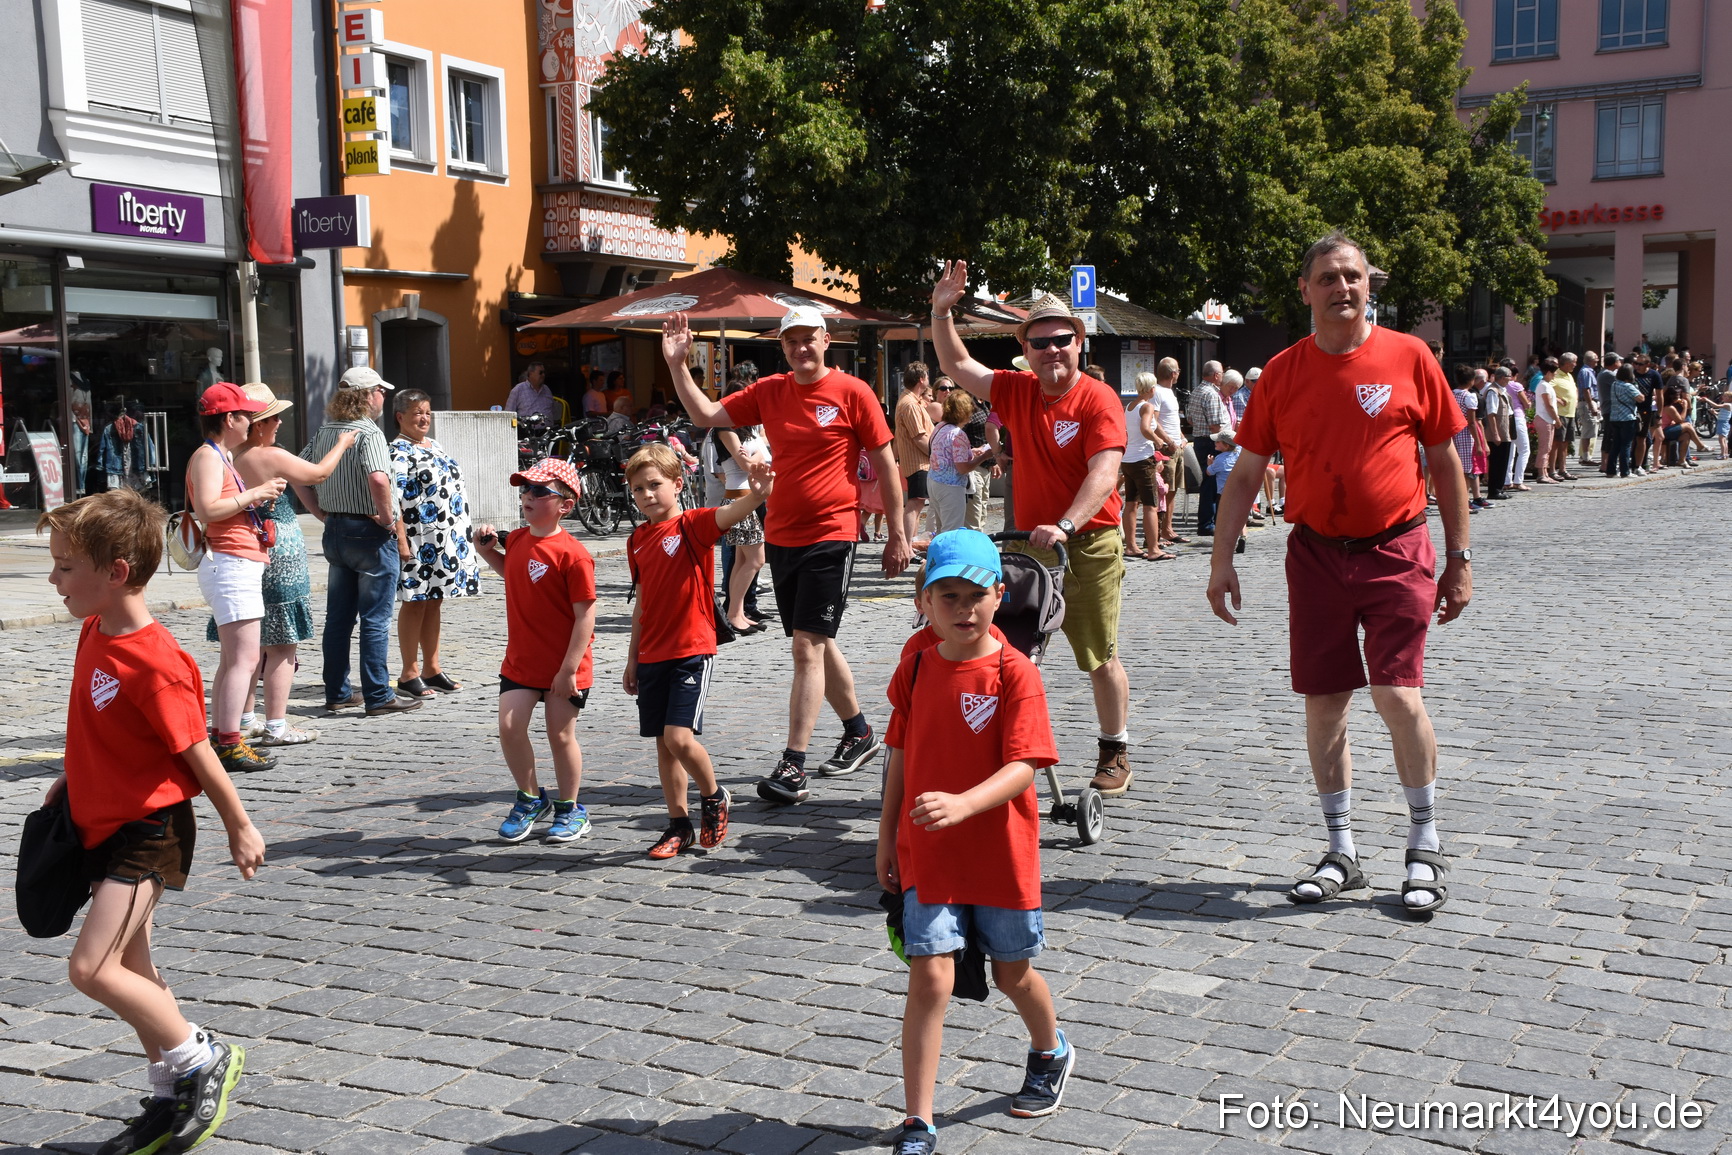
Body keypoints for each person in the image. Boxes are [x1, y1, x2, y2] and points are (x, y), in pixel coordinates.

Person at [1207, 230, 1470, 917]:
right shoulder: (1283, 372)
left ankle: (1424, 840)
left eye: (1353, 276)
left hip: (1397, 548)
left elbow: (1445, 464)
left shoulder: (1410, 356)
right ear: (1306, 290)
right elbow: (1244, 476)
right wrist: (1220, 560)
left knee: (1396, 692)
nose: (1343, 288)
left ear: (1367, 285)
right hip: (1316, 554)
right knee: (1325, 701)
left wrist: (1460, 557)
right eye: (1328, 277)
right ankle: (1342, 849)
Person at [37, 488, 265, 1155]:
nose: (52, 579)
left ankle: (201, 1059)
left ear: (113, 573)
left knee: (90, 966)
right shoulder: (93, 628)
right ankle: (168, 1094)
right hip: (100, 823)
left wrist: (239, 824)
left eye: (63, 566)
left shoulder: (158, 661)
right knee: (133, 967)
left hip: (149, 831)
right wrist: (74, 774)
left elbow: (197, 749)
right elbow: (99, 725)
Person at [663, 306, 910, 805]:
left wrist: (897, 533)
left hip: (832, 533)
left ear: (826, 340)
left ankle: (793, 765)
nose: (801, 349)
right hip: (781, 535)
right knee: (813, 639)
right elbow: (705, 417)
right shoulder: (770, 391)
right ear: (783, 347)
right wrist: (677, 364)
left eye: (808, 339)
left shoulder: (853, 392)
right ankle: (859, 731)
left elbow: (887, 464)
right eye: (791, 341)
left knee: (806, 647)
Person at [875, 530, 1069, 1155]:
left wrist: (963, 803)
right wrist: (886, 835)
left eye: (975, 595)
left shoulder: (1014, 673)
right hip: (927, 851)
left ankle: (1050, 1048)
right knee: (930, 976)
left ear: (999, 596)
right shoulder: (915, 665)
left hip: (1000, 853)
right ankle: (918, 1119)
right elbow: (899, 757)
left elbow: (1024, 766)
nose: (963, 608)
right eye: (947, 595)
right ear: (923, 601)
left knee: (1013, 973)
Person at [931, 266, 1134, 797]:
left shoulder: (1098, 399)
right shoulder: (1015, 391)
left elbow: (1104, 472)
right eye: (1040, 342)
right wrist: (941, 312)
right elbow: (956, 363)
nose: (1052, 350)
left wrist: (1067, 523)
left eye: (1061, 339)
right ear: (1027, 348)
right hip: (1024, 545)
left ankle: (1115, 748)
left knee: (1098, 654)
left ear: (1078, 340)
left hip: (1087, 543)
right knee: (1012, 651)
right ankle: (1004, 751)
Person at [622, 444, 772, 858]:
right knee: (663, 744)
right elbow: (642, 603)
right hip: (651, 654)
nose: (647, 494)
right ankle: (678, 825)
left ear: (677, 483)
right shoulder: (637, 539)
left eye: (655, 485)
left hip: (691, 649)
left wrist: (757, 495)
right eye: (638, 489)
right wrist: (632, 658)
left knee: (678, 737)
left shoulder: (692, 526)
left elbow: (728, 514)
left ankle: (714, 795)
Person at [205, 383, 356, 748]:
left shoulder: (229, 455)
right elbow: (319, 474)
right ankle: (276, 724)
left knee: (245, 648)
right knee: (284, 643)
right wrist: (343, 443)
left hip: (248, 551)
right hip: (278, 548)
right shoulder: (266, 454)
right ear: (258, 424)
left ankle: (242, 719)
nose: (279, 425)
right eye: (274, 418)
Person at [474, 459, 597, 844]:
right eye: (525, 489)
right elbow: (516, 573)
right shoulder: (520, 541)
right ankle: (530, 798)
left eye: (541, 491)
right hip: (522, 661)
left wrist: (568, 670)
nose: (528, 495)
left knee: (560, 737)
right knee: (510, 728)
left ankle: (571, 808)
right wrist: (487, 553)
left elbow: (585, 618)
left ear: (565, 504)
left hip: (565, 666)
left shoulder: (573, 554)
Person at [295, 367, 421, 717]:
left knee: (338, 619)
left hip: (335, 529)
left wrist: (321, 513)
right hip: (368, 532)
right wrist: (386, 518)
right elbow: (379, 479)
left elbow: (298, 475)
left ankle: (336, 692)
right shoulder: (368, 432)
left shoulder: (325, 430)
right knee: (375, 619)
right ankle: (378, 695)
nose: (383, 396)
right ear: (368, 395)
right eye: (380, 390)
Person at [186, 382, 285, 773]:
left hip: (234, 562)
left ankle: (223, 735)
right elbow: (208, 508)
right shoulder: (209, 457)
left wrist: (253, 499)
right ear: (230, 419)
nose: (252, 423)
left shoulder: (219, 455)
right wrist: (254, 493)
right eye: (247, 416)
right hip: (230, 563)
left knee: (234, 659)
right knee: (244, 659)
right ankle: (229, 743)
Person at [391, 389, 482, 699]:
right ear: (400, 417)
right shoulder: (398, 451)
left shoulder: (435, 445)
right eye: (417, 412)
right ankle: (409, 673)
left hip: (446, 539)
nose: (424, 418)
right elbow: (394, 502)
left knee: (435, 600)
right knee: (415, 601)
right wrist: (402, 541)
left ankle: (432, 668)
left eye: (427, 412)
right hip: (419, 540)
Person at [715, 370, 769, 631]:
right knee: (756, 559)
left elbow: (762, 459)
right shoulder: (725, 427)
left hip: (750, 499)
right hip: (739, 501)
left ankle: (735, 613)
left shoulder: (747, 428)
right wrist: (759, 461)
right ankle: (734, 613)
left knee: (741, 560)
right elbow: (747, 464)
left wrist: (758, 461)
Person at [1121, 372, 1178, 560]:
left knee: (1131, 503)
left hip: (1128, 458)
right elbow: (1146, 428)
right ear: (1151, 388)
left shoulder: (1129, 406)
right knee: (1150, 505)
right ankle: (1154, 549)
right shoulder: (1147, 406)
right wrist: (1158, 441)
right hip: (1143, 459)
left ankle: (1131, 546)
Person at [927, 386, 985, 535]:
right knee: (951, 532)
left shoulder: (940, 427)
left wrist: (970, 452)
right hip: (950, 487)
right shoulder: (958, 434)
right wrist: (985, 455)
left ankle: (937, 558)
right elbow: (963, 468)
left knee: (940, 531)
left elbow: (945, 453)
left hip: (934, 482)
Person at [1185, 360, 1232, 535]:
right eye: (1222, 373)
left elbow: (1190, 419)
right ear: (1216, 375)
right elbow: (1215, 426)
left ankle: (1208, 522)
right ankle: (1207, 524)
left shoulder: (1197, 390)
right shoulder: (1211, 394)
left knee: (1209, 481)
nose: (1223, 376)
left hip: (1200, 439)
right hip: (1211, 441)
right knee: (1211, 482)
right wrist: (1227, 443)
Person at [894, 362, 936, 544]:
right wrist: (936, 455)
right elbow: (919, 437)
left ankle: (910, 544)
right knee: (914, 503)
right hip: (918, 462)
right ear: (921, 379)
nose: (929, 379)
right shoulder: (910, 404)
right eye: (927, 376)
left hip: (919, 462)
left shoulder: (913, 401)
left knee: (917, 504)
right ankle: (906, 545)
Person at [1150, 358, 1186, 546]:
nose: (1179, 373)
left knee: (1173, 490)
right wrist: (1169, 441)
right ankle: (1162, 530)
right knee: (1165, 490)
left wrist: (1181, 436)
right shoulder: (1157, 392)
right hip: (1167, 448)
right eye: (1178, 370)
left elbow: (1172, 419)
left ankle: (1168, 528)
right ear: (1173, 373)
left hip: (1176, 445)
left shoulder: (1170, 392)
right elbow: (1154, 421)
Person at [1603, 360, 1644, 477]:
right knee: (1626, 445)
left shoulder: (1614, 385)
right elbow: (1641, 398)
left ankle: (1610, 470)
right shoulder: (1628, 386)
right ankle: (1625, 471)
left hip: (1614, 418)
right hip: (1627, 418)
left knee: (1615, 445)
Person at [1576, 351, 1601, 466]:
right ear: (1591, 360)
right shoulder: (1586, 372)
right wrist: (1591, 406)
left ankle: (1585, 456)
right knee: (1588, 429)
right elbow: (1586, 390)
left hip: (1589, 402)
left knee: (1590, 429)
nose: (1598, 360)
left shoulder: (1589, 371)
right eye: (1596, 358)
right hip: (1587, 403)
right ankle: (1585, 457)